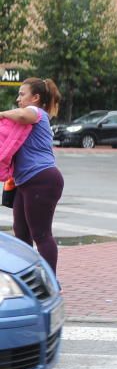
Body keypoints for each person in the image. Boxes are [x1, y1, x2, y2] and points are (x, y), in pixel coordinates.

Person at [0, 79, 64, 273]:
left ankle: (50, 283)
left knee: (41, 234)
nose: (18, 99)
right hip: (26, 182)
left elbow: (21, 115)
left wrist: (1, 113)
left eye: (22, 94)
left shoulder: (37, 113)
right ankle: (29, 277)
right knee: (21, 232)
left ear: (35, 98)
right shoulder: (24, 123)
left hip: (42, 179)